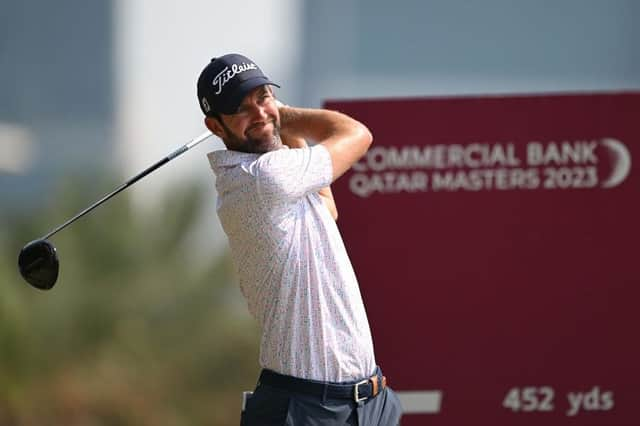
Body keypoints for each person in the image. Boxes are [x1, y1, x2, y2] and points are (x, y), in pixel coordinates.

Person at [197, 53, 403, 425]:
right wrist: (284, 114)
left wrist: (274, 120)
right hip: (305, 409)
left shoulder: (275, 176)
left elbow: (327, 206)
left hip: (368, 403)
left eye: (262, 97)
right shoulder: (264, 178)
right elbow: (357, 134)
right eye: (241, 109)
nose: (258, 113)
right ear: (215, 125)